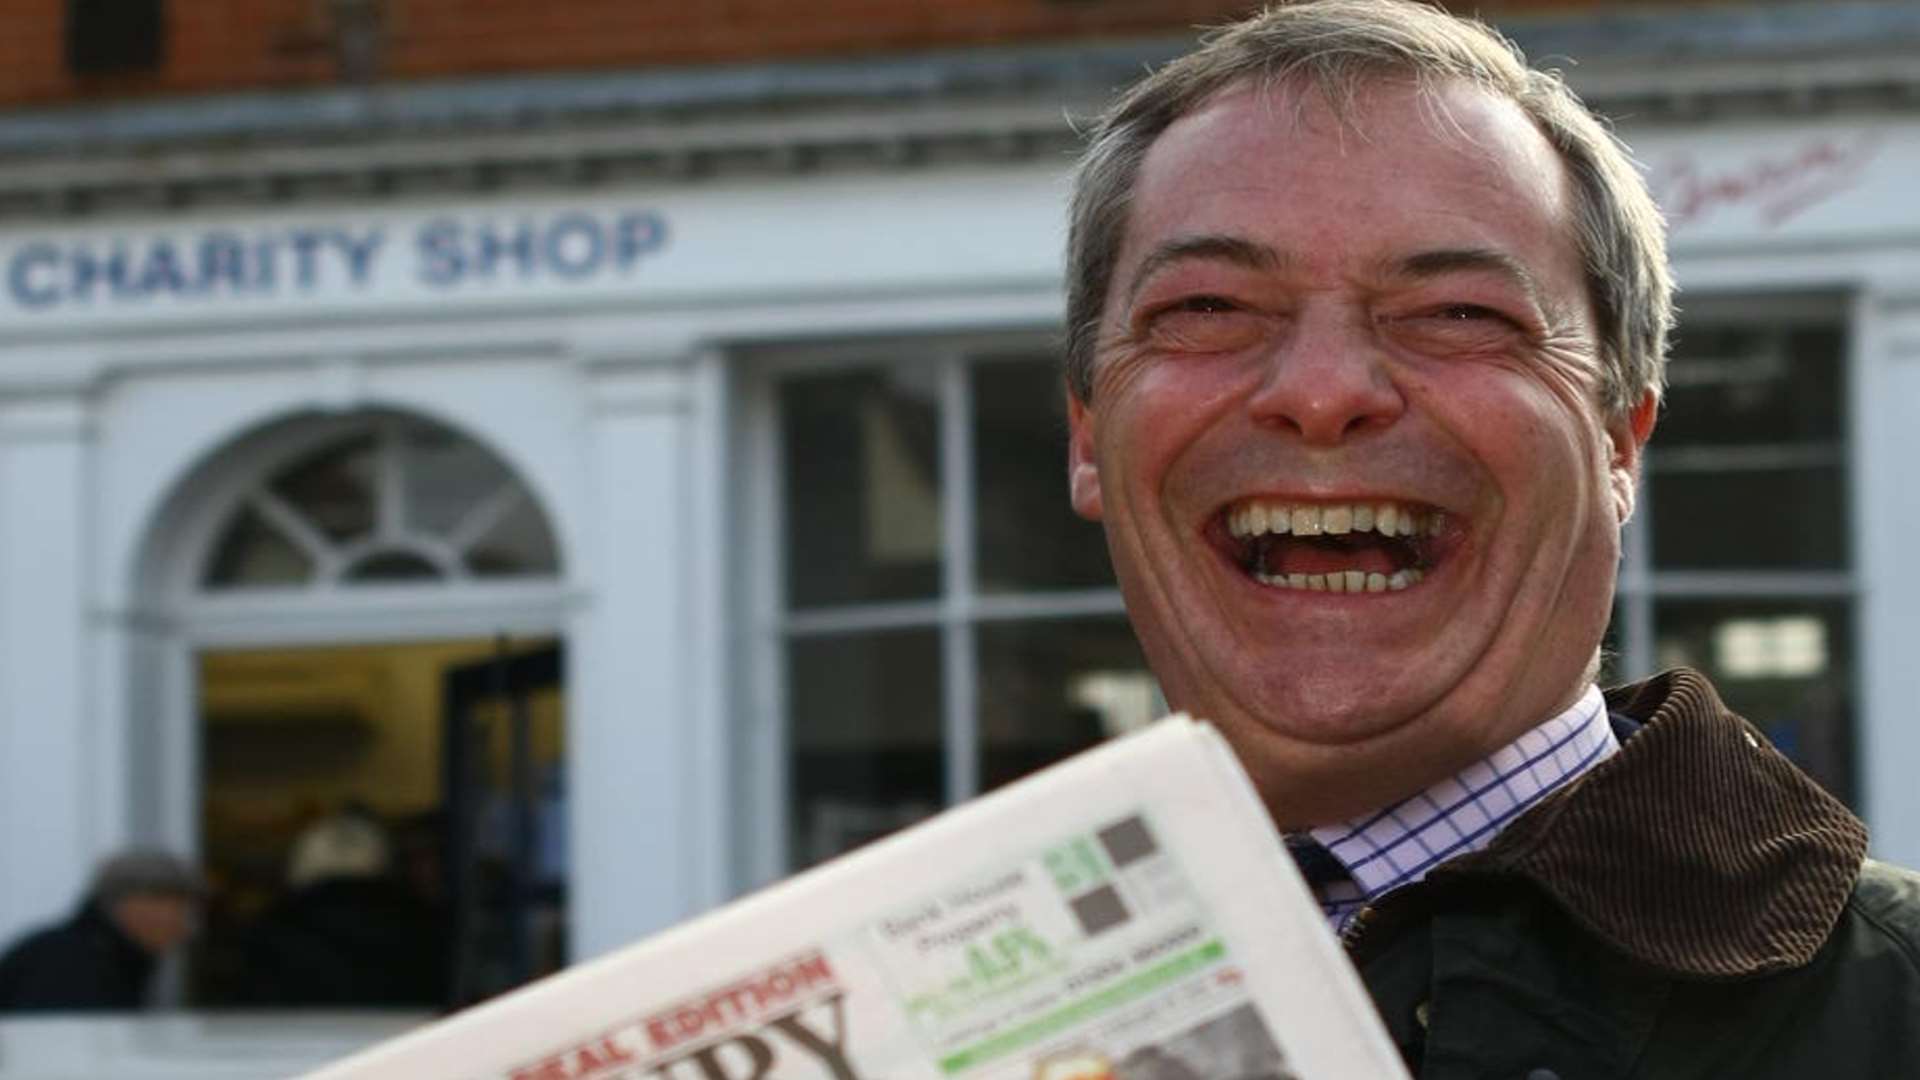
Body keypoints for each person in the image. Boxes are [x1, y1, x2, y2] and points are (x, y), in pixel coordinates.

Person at [1060, 0, 1920, 1074]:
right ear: (1089, 436)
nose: (1323, 394)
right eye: (1210, 307)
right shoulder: (894, 1019)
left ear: (1619, 440)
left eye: (1459, 313)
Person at [0, 850, 201, 1012]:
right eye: (177, 907)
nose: (184, 925)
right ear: (130, 903)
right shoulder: (67, 963)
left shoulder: (110, 957)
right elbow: (51, 1048)